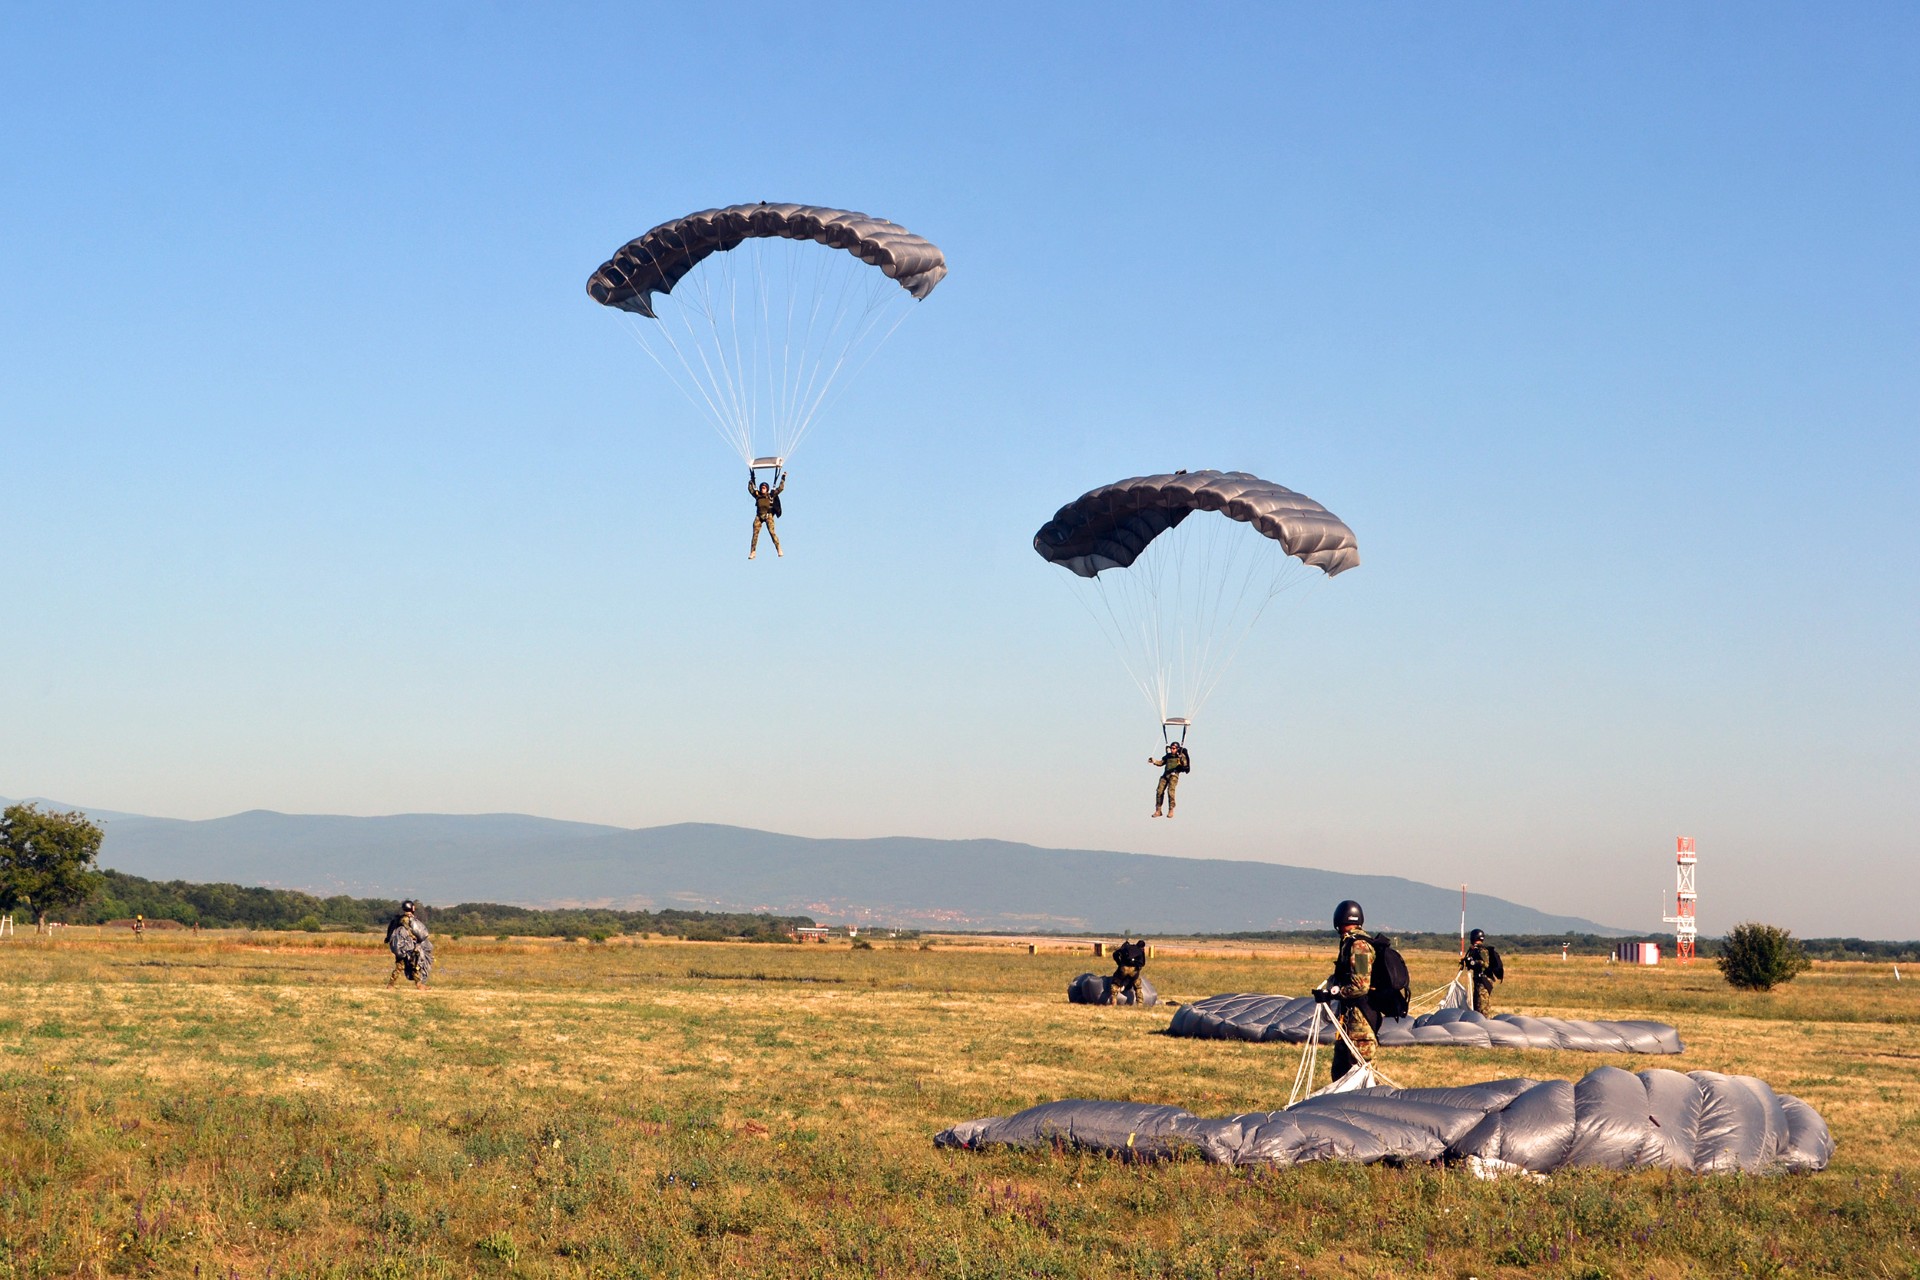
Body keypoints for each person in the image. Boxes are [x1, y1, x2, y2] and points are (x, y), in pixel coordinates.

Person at [1314, 899, 1378, 1083]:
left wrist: (1334, 993)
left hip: (1360, 1021)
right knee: (1340, 1072)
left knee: (1363, 1072)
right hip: (1348, 1019)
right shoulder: (1348, 943)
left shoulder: (1359, 947)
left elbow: (1360, 985)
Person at [385, 900, 433, 989]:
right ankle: (418, 985)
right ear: (410, 907)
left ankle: (391, 985)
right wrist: (415, 938)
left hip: (401, 947)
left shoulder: (399, 918)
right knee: (412, 964)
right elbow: (408, 931)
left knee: (404, 965)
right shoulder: (406, 919)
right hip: (407, 947)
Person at [1460, 928, 1504, 1015]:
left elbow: (1486, 964)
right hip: (1479, 981)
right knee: (1476, 1005)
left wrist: (1473, 962)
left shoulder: (1482, 950)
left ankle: (1484, 1024)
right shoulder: (1474, 950)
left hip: (1484, 982)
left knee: (1482, 1007)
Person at [748, 469, 785, 559]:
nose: (763, 489)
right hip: (759, 516)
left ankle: (779, 548)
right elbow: (750, 489)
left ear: (767, 489)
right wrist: (751, 481)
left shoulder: (771, 495)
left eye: (764, 488)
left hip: (769, 516)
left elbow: (780, 488)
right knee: (755, 534)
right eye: (762, 488)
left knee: (772, 532)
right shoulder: (757, 495)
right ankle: (753, 552)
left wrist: (783, 478)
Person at [1148, 742, 1190, 818]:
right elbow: (1161, 763)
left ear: (1177, 749)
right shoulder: (1168, 756)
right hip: (1165, 775)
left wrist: (1181, 759)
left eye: (1173, 748)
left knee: (1170, 791)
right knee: (1159, 791)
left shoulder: (1180, 756)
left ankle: (1171, 809)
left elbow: (1185, 766)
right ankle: (1158, 810)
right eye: (1171, 748)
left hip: (1174, 775)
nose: (1172, 750)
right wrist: (1154, 761)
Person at [1106, 937, 1148, 1005]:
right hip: (1134, 970)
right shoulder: (1140, 950)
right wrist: (1137, 968)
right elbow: (1142, 963)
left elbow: (1115, 954)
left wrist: (1119, 963)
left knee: (1115, 983)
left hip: (1123, 968)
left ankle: (1114, 1001)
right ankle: (1140, 1004)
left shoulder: (1126, 948)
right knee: (1137, 986)